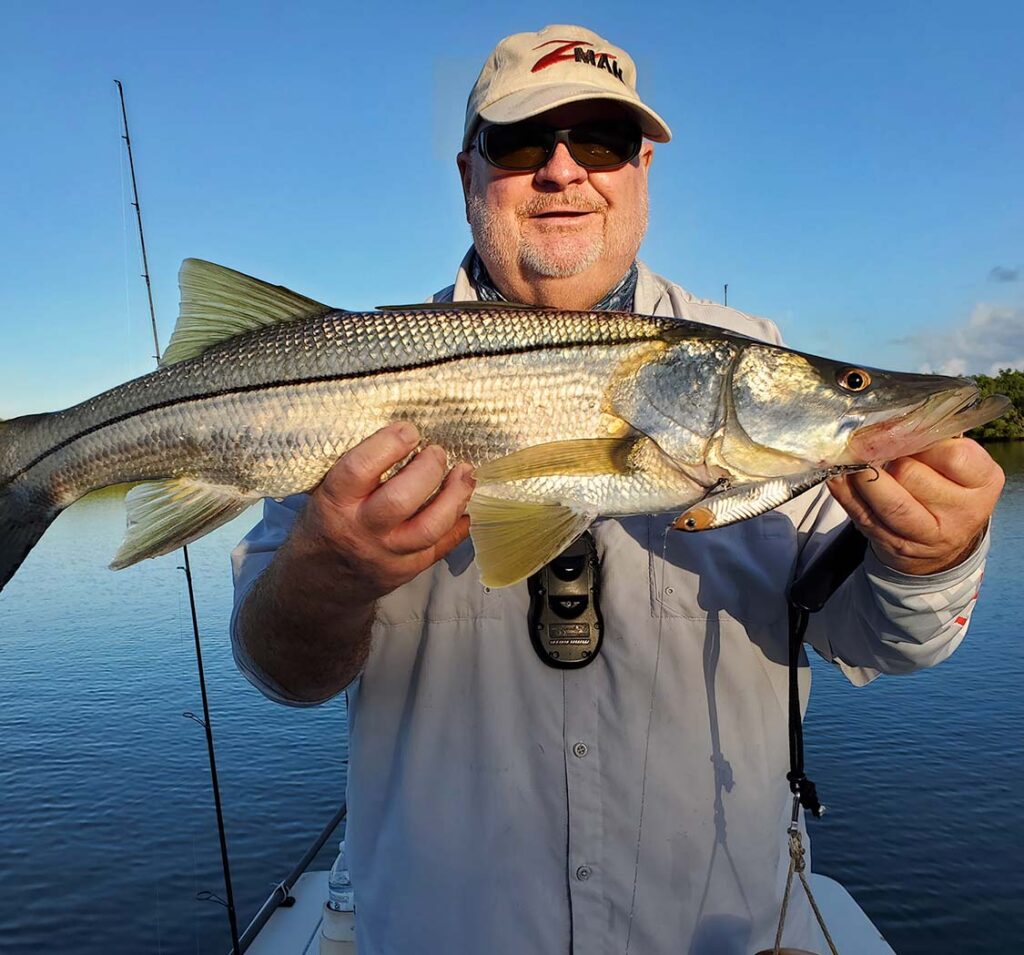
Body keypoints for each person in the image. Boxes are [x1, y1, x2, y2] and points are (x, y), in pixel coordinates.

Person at [230, 25, 1004, 955]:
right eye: (521, 143)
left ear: (642, 170)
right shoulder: (351, 373)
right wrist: (330, 572)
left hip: (715, 933)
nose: (564, 170)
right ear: (468, 176)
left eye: (599, 140)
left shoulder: (746, 355)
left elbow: (885, 642)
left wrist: (934, 558)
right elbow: (280, 669)